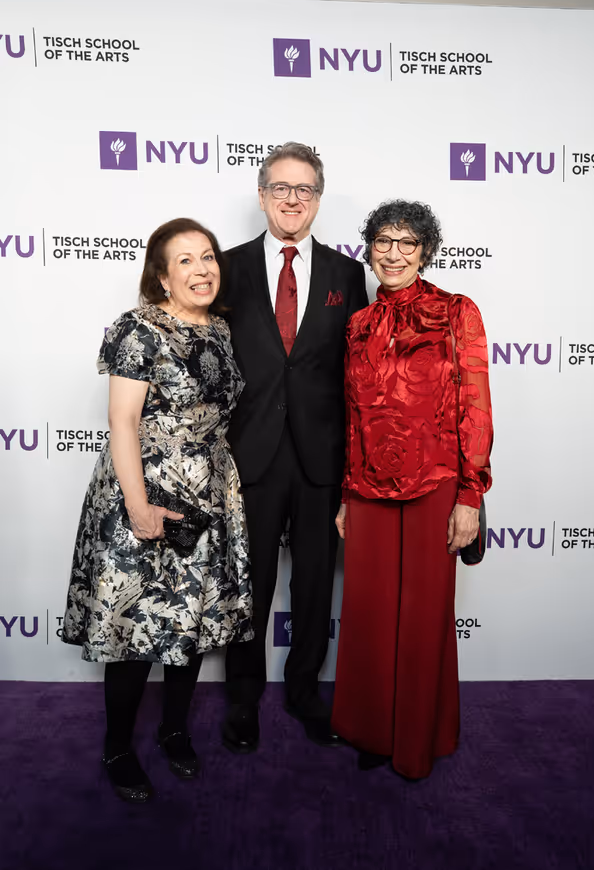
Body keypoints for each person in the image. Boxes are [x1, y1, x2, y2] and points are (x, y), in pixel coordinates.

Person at [62, 218, 253, 802]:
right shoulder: (138, 330)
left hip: (208, 491)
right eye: (185, 261)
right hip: (143, 490)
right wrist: (139, 506)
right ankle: (118, 746)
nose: (202, 270)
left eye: (208, 257)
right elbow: (121, 421)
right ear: (163, 277)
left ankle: (174, 731)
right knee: (134, 628)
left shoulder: (220, 329)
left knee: (188, 624)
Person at [332, 200, 493, 779]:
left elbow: (475, 405)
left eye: (406, 243)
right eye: (383, 241)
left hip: (435, 484)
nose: (393, 253)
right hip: (369, 488)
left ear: (426, 250)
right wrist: (348, 493)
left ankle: (417, 738)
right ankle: (372, 730)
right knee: (371, 612)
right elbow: (352, 414)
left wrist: (470, 495)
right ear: (369, 249)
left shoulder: (457, 312)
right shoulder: (357, 324)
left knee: (423, 615)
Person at [221, 142, 368, 753]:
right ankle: (242, 702)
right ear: (261, 195)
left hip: (320, 456)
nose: (291, 199)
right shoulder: (224, 267)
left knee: (313, 583)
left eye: (304, 189)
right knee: (247, 585)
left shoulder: (344, 273)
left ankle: (305, 692)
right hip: (249, 454)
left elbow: (356, 373)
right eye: (280, 187)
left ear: (317, 200)